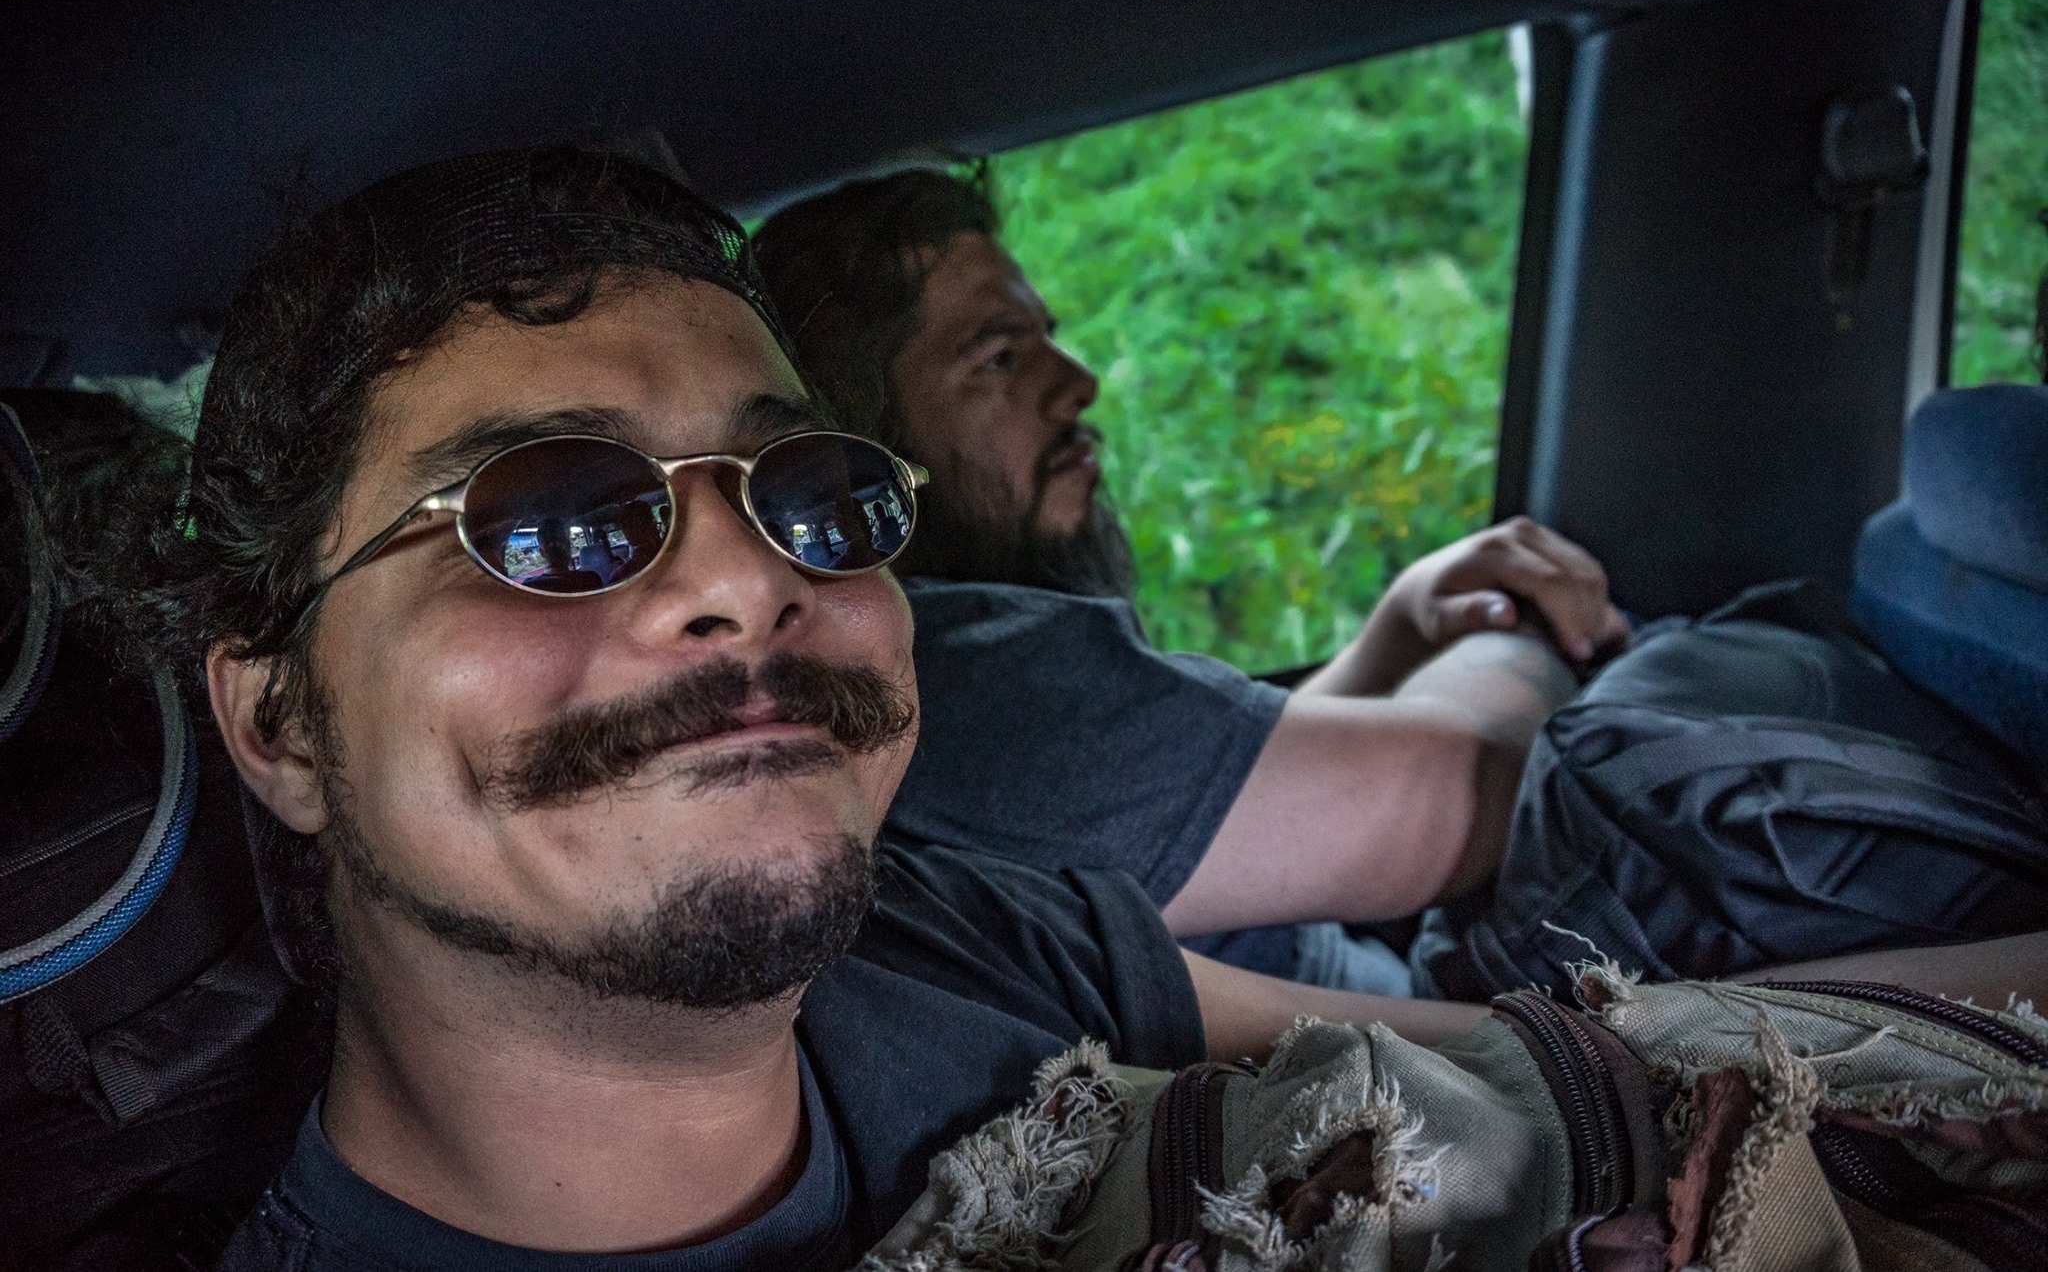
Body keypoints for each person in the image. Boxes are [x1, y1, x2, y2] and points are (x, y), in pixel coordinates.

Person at [119, 146, 1490, 1267]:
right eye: (549, 521)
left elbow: (1516, 1076)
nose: (747, 577)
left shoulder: (950, 935)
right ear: (281, 725)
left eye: (814, 496)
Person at [753, 170, 1631, 989]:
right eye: (999, 359)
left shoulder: (960, 679)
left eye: (1047, 339)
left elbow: (1224, 797)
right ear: (853, 449)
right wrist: (1520, 630)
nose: (1080, 383)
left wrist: (1395, 631)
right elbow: (1477, 787)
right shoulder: (975, 676)